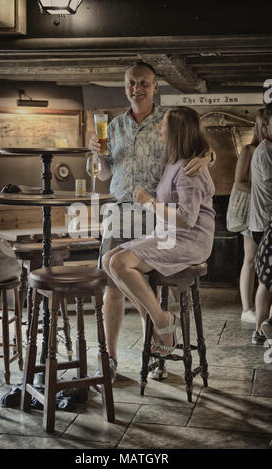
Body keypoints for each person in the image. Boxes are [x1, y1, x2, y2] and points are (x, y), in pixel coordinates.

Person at [89, 61, 215, 381]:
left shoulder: (169, 121)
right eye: (132, 82)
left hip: (159, 214)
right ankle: (111, 359)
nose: (138, 88)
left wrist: (207, 156)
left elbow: (195, 149)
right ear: (125, 85)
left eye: (144, 82)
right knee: (114, 280)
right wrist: (94, 156)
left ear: (155, 87)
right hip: (121, 211)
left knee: (159, 285)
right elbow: (104, 174)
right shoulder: (114, 126)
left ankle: (159, 356)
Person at [234, 109, 265, 323]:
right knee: (251, 259)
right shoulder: (250, 150)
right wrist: (262, 191)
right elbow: (239, 182)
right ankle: (247, 309)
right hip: (252, 211)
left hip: (266, 211)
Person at [249, 103, 272, 345]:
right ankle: (259, 329)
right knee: (267, 279)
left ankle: (262, 329)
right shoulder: (265, 150)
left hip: (266, 223)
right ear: (266, 126)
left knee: (269, 279)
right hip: (266, 224)